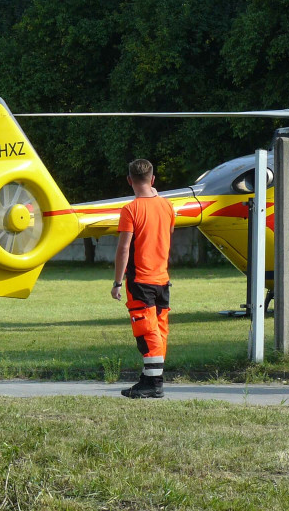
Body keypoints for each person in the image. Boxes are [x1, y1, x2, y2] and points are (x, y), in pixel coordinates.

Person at [111, 158, 175, 399]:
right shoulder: (167, 206)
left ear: (130, 180)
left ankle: (153, 384)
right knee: (158, 331)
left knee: (146, 333)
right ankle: (150, 379)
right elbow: (167, 236)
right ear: (153, 179)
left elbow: (124, 248)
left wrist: (117, 282)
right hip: (162, 278)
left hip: (140, 280)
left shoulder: (131, 209)